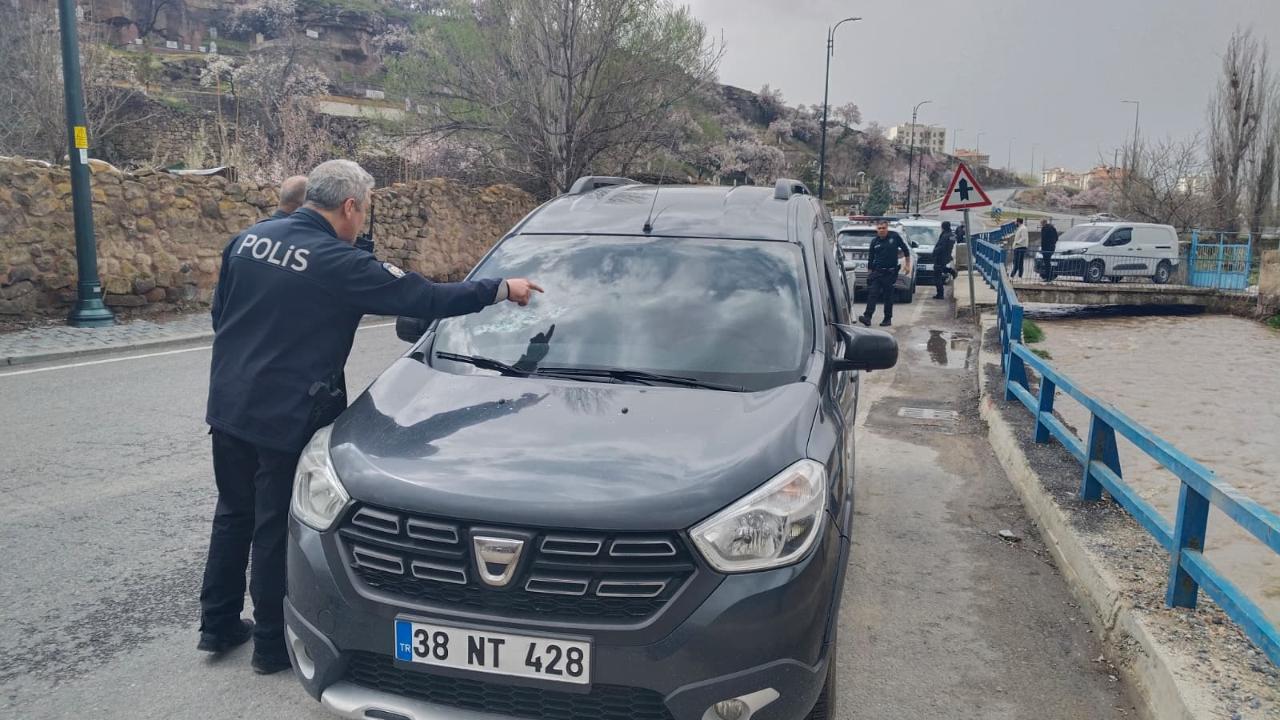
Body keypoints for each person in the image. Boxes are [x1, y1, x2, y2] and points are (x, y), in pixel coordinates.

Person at [196, 159, 542, 674]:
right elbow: (424, 297)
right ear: (349, 206)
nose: (362, 224)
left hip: (228, 404)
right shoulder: (340, 263)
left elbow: (220, 316)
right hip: (285, 415)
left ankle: (217, 624)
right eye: (364, 212)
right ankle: (270, 644)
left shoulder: (248, 240)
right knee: (273, 525)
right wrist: (501, 288)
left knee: (232, 514)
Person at [857, 220, 912, 327]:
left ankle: (887, 319)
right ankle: (867, 317)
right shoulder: (874, 241)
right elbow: (871, 258)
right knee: (872, 294)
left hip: (890, 272)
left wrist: (907, 265)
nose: (881, 230)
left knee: (888, 296)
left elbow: (906, 250)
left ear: (887, 228)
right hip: (877, 272)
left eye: (883, 228)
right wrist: (870, 273)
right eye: (879, 228)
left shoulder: (894, 237)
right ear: (876, 229)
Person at [932, 221, 957, 299]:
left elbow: (941, 246)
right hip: (947, 256)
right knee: (941, 269)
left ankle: (940, 294)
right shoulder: (952, 235)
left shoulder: (945, 235)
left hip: (940, 257)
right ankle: (951, 271)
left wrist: (934, 252)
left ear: (943, 227)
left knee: (937, 275)